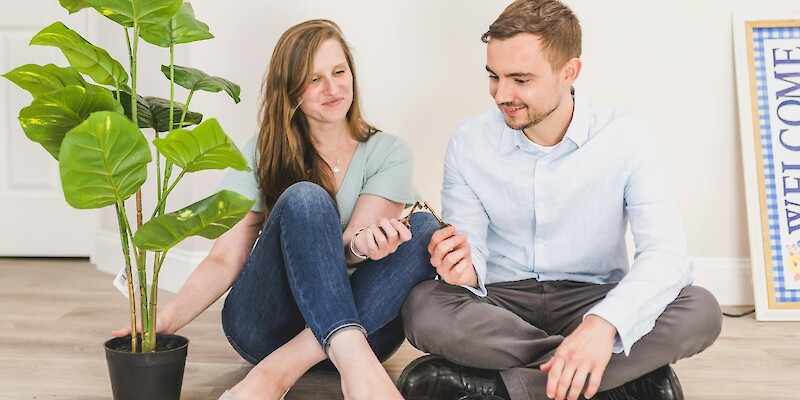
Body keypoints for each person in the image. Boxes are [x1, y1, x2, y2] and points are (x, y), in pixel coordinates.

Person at [396, 1, 722, 400]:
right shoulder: (469, 141)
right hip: (502, 303)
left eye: (520, 79)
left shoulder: (629, 136)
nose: (502, 94)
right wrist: (465, 267)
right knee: (423, 306)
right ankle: (611, 377)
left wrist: (603, 325)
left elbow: (666, 255)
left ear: (569, 72)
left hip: (593, 296)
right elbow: (471, 245)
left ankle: (501, 387)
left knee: (700, 309)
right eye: (493, 77)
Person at [113, 19, 440, 400]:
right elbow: (224, 260)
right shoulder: (260, 153)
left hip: (368, 330)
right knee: (305, 198)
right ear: (290, 89)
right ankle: (351, 366)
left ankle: (275, 374)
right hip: (267, 328)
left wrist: (365, 246)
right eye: (314, 79)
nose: (333, 88)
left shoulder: (389, 151)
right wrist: (163, 322)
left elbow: (354, 240)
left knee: (426, 228)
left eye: (339, 72)